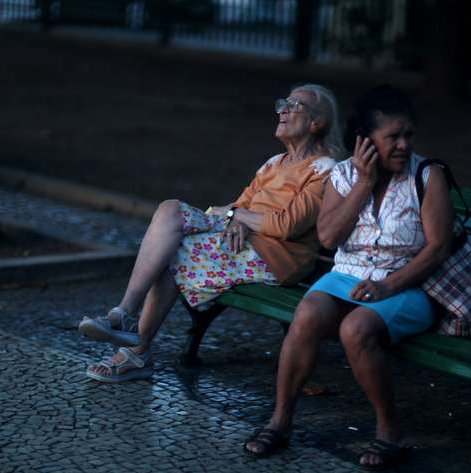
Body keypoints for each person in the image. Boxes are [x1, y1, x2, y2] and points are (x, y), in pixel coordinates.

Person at [244, 85, 454, 468]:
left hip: (408, 284)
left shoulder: (428, 176)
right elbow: (328, 237)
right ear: (365, 141)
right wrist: (363, 184)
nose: (403, 145)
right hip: (348, 275)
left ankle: (389, 431)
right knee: (305, 316)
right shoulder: (341, 176)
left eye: (408, 135)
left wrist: (387, 285)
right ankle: (280, 421)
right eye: (392, 137)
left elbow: (437, 248)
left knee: (355, 329)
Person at [79, 83, 345, 383]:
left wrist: (237, 216)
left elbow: (286, 225)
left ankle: (136, 351)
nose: (282, 110)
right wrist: (237, 218)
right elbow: (239, 206)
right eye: (282, 103)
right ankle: (125, 314)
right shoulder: (273, 163)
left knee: (173, 252)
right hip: (245, 243)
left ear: (316, 122)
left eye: (294, 105)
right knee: (169, 210)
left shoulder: (324, 169)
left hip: (276, 258)